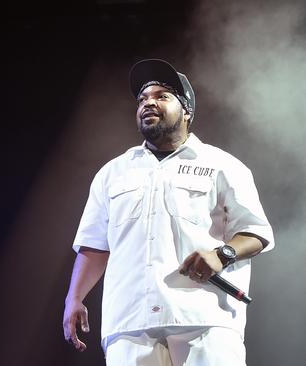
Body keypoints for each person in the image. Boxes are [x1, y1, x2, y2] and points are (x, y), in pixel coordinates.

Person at [62, 59, 274, 365]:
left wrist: (222, 254)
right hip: (129, 322)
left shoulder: (222, 165)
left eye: (162, 96)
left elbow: (257, 232)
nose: (149, 103)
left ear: (186, 110)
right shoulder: (113, 173)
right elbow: (95, 243)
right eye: (143, 99)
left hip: (203, 318)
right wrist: (74, 297)